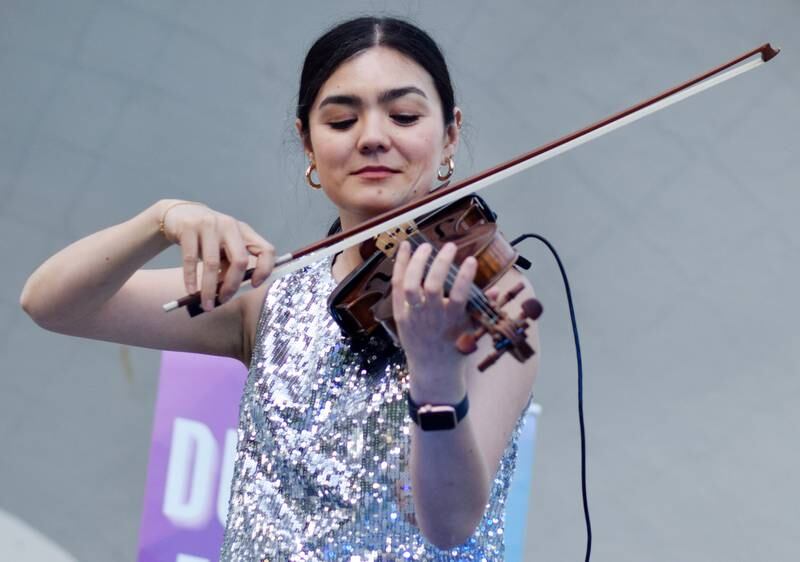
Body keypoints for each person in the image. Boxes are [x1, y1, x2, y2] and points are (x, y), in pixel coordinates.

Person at [20, 16, 539, 561]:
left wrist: (435, 373)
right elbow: (51, 304)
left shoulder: (490, 302)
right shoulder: (269, 297)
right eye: (341, 121)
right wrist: (161, 220)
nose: (373, 138)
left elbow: (448, 523)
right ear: (308, 145)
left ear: (450, 132)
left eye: (404, 115)